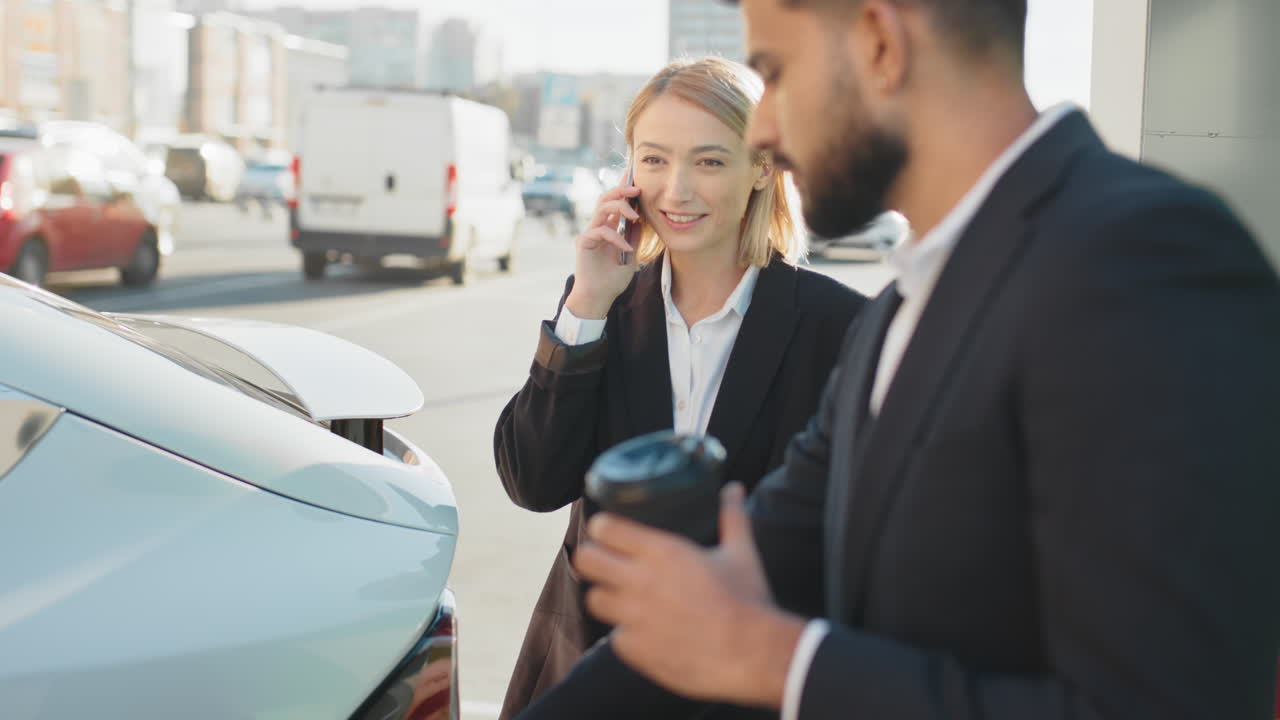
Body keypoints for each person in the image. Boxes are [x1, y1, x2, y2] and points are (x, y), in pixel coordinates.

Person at [515, 1, 1280, 719]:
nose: (769, 130)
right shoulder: (896, 316)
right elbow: (743, 576)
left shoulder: (1142, 261)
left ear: (881, 44)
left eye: (775, 72)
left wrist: (781, 662)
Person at [494, 55, 869, 719]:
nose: (676, 191)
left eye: (709, 162)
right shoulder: (602, 303)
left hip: (744, 691)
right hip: (586, 673)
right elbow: (533, 480)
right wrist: (585, 305)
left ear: (762, 167)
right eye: (655, 160)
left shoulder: (838, 327)